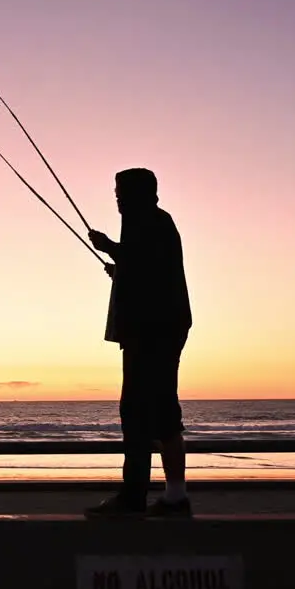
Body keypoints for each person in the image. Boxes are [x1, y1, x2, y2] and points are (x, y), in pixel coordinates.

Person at [85, 168, 193, 518]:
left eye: (122, 192)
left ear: (140, 194)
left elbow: (142, 261)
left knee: (135, 412)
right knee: (162, 413)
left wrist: (110, 249)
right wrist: (120, 267)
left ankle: (133, 498)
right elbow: (153, 272)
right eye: (116, 191)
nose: (117, 198)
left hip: (152, 333)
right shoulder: (155, 222)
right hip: (161, 329)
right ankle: (175, 497)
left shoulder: (149, 221)